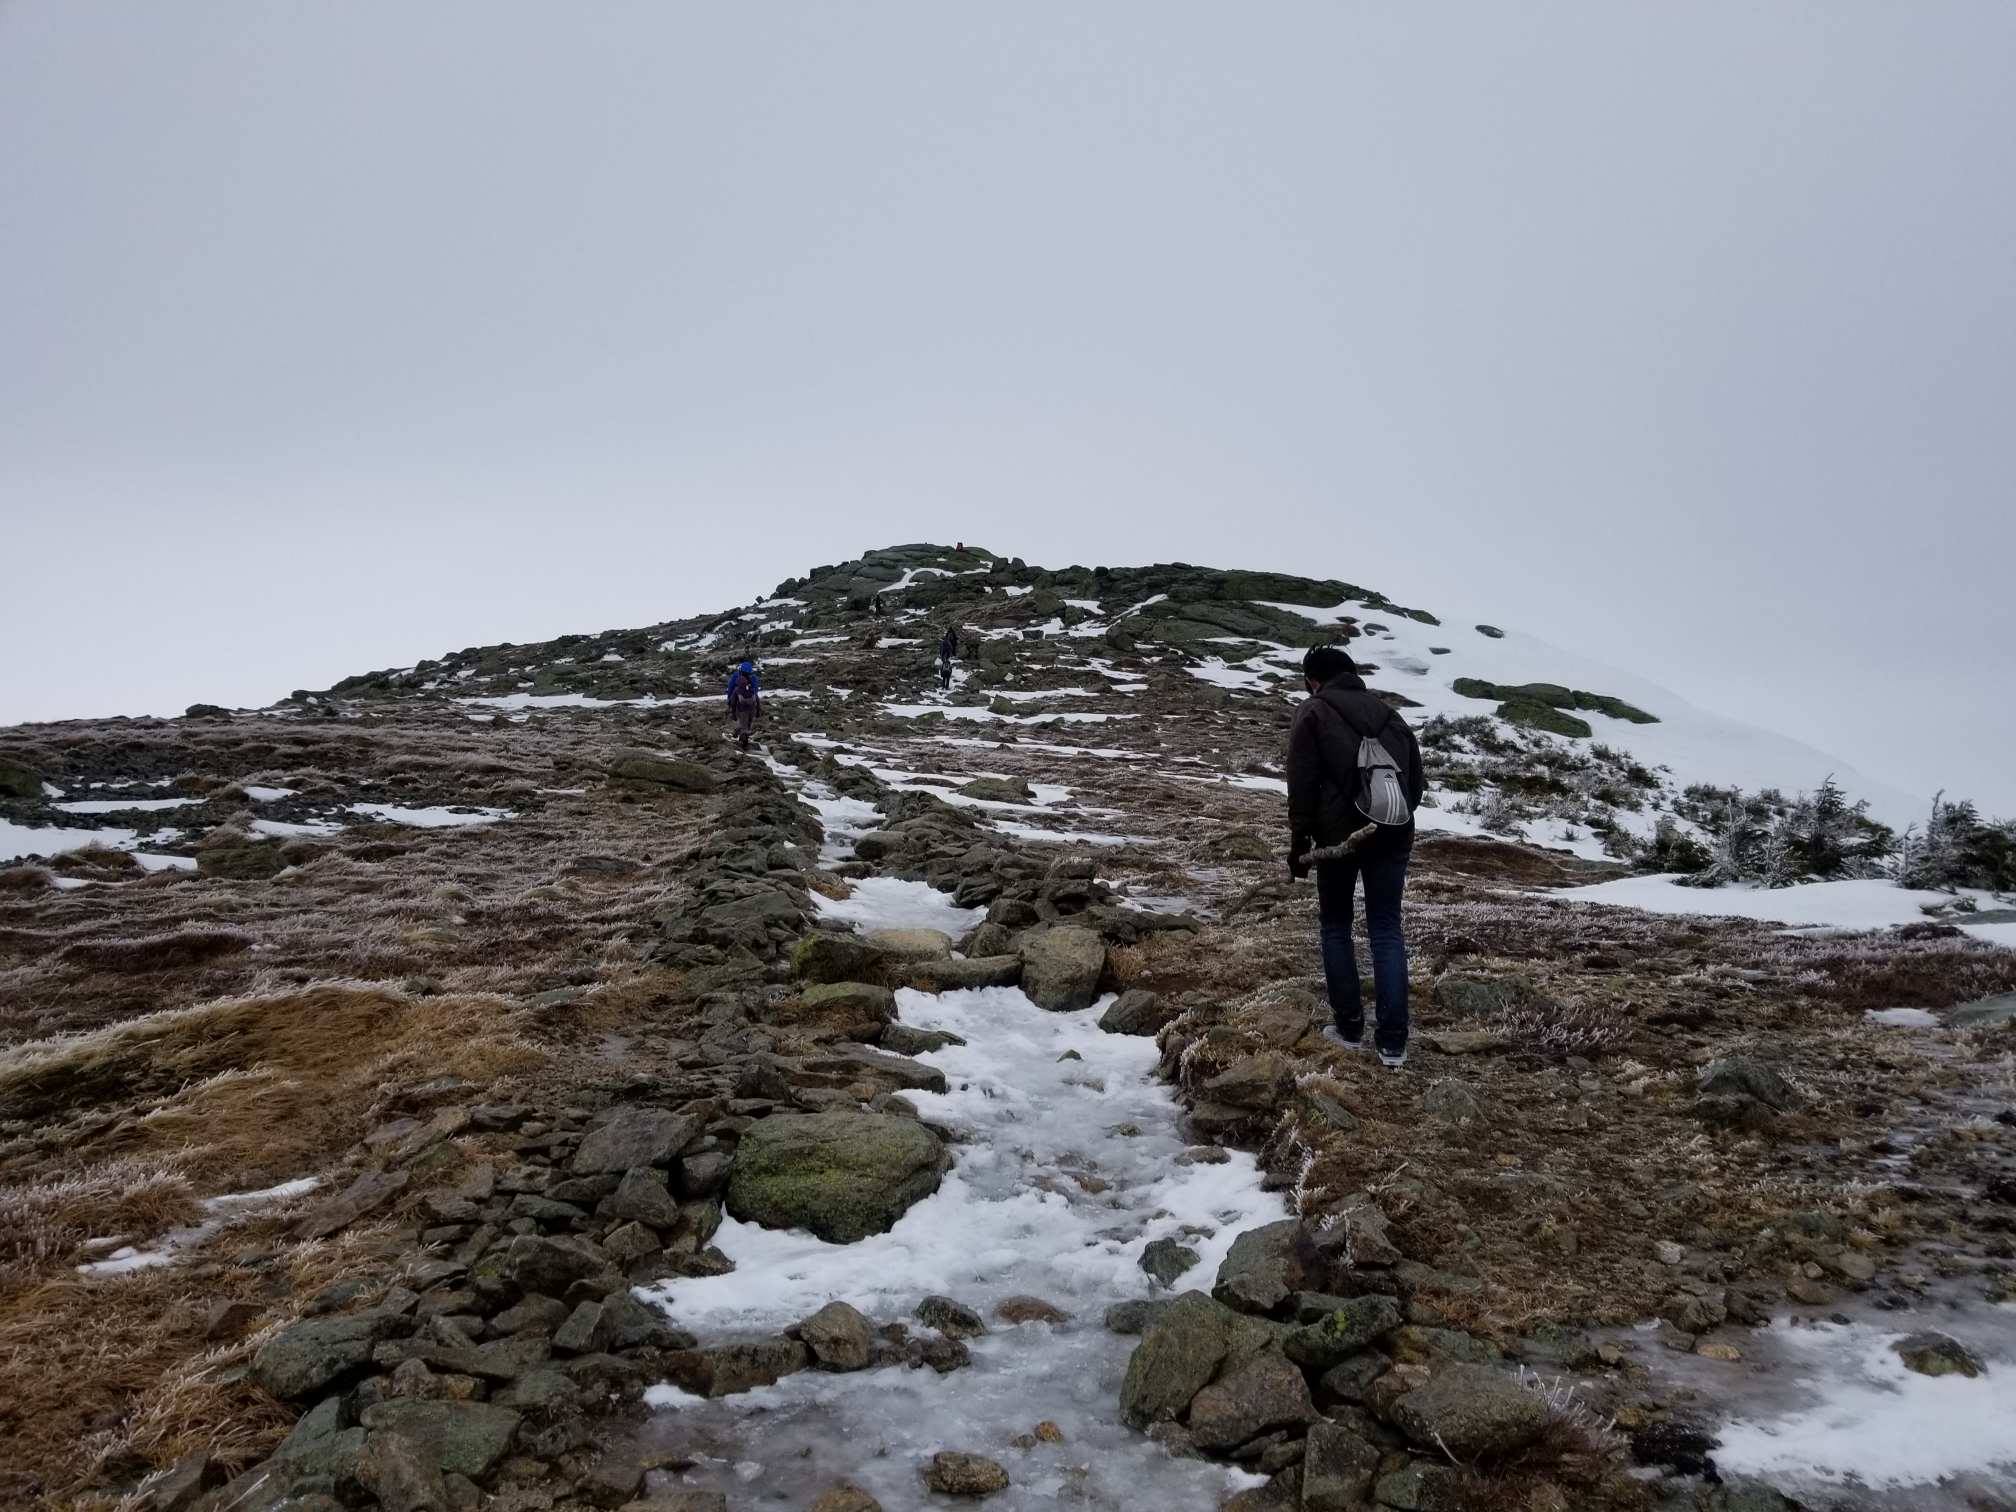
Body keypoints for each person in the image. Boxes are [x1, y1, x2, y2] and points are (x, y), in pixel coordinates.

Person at [1286, 644, 1425, 1068]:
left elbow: (1302, 779)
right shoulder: (1391, 717)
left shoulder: (1313, 711)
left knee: (1336, 927)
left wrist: (1300, 841)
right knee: (1386, 929)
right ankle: (1394, 1044)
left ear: (1313, 679)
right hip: (1393, 832)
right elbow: (1415, 786)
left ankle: (1348, 1029)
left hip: (1337, 838)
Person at [725, 659, 761, 752]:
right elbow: (756, 693)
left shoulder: (736, 677)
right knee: (747, 724)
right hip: (751, 707)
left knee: (742, 722)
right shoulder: (753, 678)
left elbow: (730, 689)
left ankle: (742, 740)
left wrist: (729, 702)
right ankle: (743, 737)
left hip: (739, 706)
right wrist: (758, 710)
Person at [937, 625, 959, 690]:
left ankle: (943, 686)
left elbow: (941, 650)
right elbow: (952, 647)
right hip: (948, 656)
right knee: (948, 675)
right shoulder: (949, 642)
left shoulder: (943, 643)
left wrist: (941, 655)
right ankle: (946, 686)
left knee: (944, 675)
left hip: (944, 656)